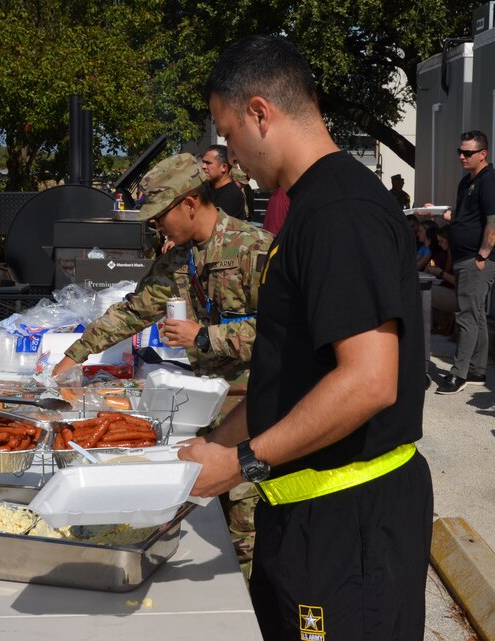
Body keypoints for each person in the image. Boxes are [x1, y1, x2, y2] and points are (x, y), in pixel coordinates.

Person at [180, 35, 432, 641]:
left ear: (260, 112)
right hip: (304, 513)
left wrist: (238, 463)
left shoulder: (341, 212)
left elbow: (368, 382)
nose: (230, 156)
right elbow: (292, 372)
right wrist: (213, 444)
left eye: (228, 132)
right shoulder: (310, 208)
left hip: (351, 524)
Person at [53, 152, 271, 382]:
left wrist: (204, 336)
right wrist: (75, 355)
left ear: (189, 204)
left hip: (258, 395)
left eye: (159, 217)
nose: (157, 227)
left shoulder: (254, 248)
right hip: (212, 390)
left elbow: (284, 330)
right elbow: (135, 311)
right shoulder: (178, 257)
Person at [433, 130, 495, 394]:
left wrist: (481, 257)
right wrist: (439, 213)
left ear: (483, 154)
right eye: (460, 152)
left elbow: (494, 220)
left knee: (466, 315)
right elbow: (464, 217)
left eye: (468, 153)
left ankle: (459, 374)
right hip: (467, 258)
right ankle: (477, 370)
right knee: (475, 315)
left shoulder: (491, 182)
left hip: (477, 260)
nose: (462, 157)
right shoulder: (467, 182)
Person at [200, 143, 249, 220]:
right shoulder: (205, 187)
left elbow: (209, 224)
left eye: (208, 163)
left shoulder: (232, 194)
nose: (203, 166)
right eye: (203, 162)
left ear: (223, 167)